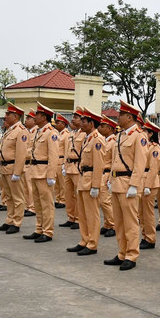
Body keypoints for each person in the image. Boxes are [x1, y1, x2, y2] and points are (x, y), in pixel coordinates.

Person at [102, 101, 148, 270]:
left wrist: (135, 185)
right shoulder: (120, 135)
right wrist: (109, 179)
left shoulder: (139, 136)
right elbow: (114, 160)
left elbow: (140, 162)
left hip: (129, 184)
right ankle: (122, 252)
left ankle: (131, 255)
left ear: (129, 117)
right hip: (116, 182)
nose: (118, 117)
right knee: (119, 222)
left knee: (130, 222)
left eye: (121, 115)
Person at [20, 103, 60, 243]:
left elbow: (53, 156)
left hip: (44, 173)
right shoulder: (39, 131)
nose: (34, 117)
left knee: (47, 204)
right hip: (35, 171)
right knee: (37, 203)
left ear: (44, 117)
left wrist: (51, 175)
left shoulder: (51, 133)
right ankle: (39, 228)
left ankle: (47, 231)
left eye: (37, 114)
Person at [67, 109, 104, 257]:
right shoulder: (87, 138)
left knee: (92, 214)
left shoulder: (97, 139)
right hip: (83, 178)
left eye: (84, 121)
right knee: (82, 214)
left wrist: (96, 185)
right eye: (81, 120)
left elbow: (99, 164)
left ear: (91, 123)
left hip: (90, 181)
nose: (81, 123)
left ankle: (92, 244)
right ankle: (84, 240)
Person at [0, 103, 29, 234]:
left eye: (8, 114)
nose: (5, 116)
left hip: (14, 168)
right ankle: (9, 220)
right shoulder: (9, 130)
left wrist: (18, 172)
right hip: (4, 168)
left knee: (17, 197)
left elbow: (21, 153)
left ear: (16, 116)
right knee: (8, 196)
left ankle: (17, 222)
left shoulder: (21, 131)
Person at [60, 109, 85, 230]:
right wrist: (64, 165)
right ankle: (71, 217)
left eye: (76, 117)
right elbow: (66, 151)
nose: (73, 119)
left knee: (77, 195)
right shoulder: (72, 133)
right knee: (68, 195)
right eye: (73, 117)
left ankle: (78, 219)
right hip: (69, 166)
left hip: (77, 167)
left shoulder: (84, 134)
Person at [139, 120, 160, 249]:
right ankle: (145, 236)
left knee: (148, 213)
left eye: (145, 131)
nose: (142, 133)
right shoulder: (145, 146)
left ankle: (150, 238)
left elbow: (153, 169)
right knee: (141, 213)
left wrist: (147, 185)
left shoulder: (155, 148)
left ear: (151, 134)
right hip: (142, 180)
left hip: (150, 183)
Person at [53, 114, 69, 209]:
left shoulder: (66, 135)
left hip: (62, 160)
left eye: (58, 123)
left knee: (62, 183)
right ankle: (57, 198)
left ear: (63, 124)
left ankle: (63, 200)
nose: (56, 125)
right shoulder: (58, 134)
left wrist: (64, 163)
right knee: (57, 183)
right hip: (56, 160)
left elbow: (67, 149)